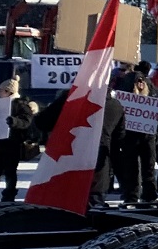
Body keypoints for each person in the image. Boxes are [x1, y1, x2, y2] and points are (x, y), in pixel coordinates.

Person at [35, 81, 127, 209]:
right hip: (99, 168)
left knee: (66, 212)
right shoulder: (116, 106)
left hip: (68, 164)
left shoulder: (72, 99)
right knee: (94, 211)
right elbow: (119, 140)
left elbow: (42, 122)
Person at [0, 78, 34, 203]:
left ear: (8, 91)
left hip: (13, 144)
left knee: (10, 172)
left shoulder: (21, 105)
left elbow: (27, 122)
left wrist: (14, 121)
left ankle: (8, 196)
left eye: (1, 90)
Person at [116, 69, 158, 206]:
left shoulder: (152, 96)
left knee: (149, 168)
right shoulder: (124, 99)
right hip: (130, 137)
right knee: (131, 169)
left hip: (148, 137)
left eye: (142, 81)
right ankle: (131, 196)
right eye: (137, 81)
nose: (140, 84)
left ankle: (149, 196)